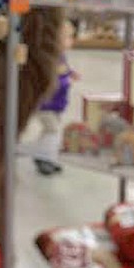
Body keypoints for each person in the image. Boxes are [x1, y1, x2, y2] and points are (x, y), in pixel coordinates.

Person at [28, 19, 79, 175]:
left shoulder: (61, 56)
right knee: (53, 131)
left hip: (56, 103)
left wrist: (70, 74)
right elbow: (51, 78)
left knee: (51, 130)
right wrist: (65, 77)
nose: (71, 41)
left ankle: (46, 157)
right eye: (67, 37)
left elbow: (64, 72)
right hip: (47, 104)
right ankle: (43, 158)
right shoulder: (50, 58)